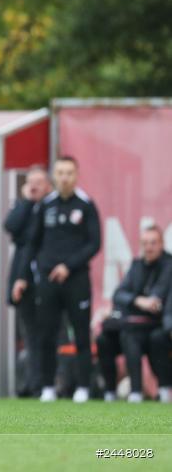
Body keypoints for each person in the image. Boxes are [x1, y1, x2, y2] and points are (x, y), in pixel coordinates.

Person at [28, 156, 101, 403]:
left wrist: (68, 266)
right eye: (60, 173)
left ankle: (83, 387)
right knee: (46, 335)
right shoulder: (45, 205)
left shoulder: (86, 205)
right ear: (54, 176)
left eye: (69, 172)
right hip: (48, 281)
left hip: (76, 279)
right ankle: (48, 386)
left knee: (81, 334)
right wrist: (25, 276)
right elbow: (33, 243)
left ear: (77, 175)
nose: (65, 177)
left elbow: (95, 243)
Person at [102, 226, 171, 403]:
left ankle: (163, 389)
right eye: (145, 243)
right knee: (106, 339)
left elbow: (159, 299)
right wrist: (138, 300)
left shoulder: (169, 265)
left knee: (157, 338)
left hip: (161, 325)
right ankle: (128, 392)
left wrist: (149, 302)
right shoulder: (136, 265)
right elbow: (119, 294)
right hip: (136, 325)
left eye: (153, 243)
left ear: (162, 244)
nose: (149, 247)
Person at [4, 165, 52, 396]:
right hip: (24, 280)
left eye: (39, 181)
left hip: (49, 281)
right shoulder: (23, 207)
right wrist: (25, 201)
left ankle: (53, 383)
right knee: (30, 336)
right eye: (30, 181)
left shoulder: (52, 208)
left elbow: (36, 238)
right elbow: (10, 226)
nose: (34, 186)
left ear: (48, 185)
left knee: (51, 334)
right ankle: (34, 386)